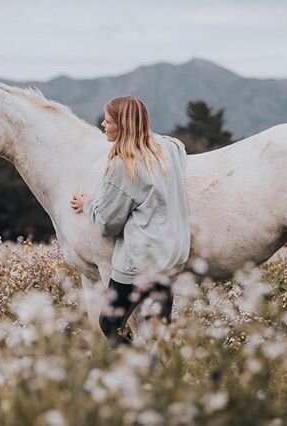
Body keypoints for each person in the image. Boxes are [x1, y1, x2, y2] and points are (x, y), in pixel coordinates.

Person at [70, 95, 190, 345]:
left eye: (108, 120)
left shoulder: (123, 165)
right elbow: (179, 146)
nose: (103, 124)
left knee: (110, 324)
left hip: (139, 260)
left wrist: (88, 203)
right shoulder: (168, 148)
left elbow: (108, 224)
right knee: (159, 328)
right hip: (172, 254)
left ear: (122, 125)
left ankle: (137, 368)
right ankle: (160, 374)